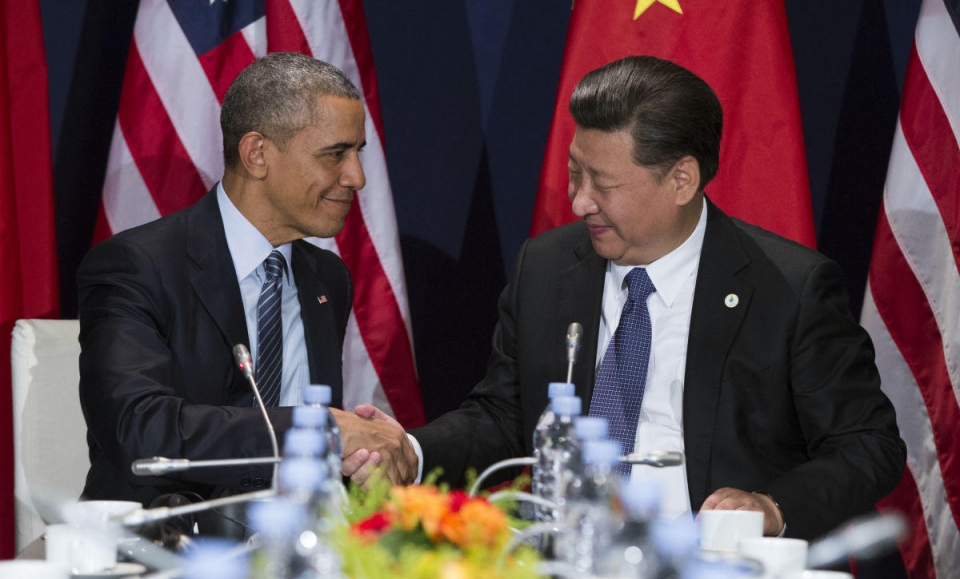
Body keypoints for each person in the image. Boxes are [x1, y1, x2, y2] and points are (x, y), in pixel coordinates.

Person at [360, 55, 905, 541]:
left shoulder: (789, 287)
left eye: (604, 183)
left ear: (682, 180)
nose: (579, 202)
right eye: (575, 174)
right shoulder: (548, 267)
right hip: (562, 566)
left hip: (712, 578)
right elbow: (505, 414)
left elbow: (867, 445)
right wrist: (413, 448)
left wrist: (771, 506)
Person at [79, 52, 416, 509]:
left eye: (357, 153)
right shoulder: (137, 265)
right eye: (335, 154)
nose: (356, 177)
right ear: (257, 154)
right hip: (164, 548)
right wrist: (318, 429)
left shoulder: (327, 278)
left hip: (295, 553)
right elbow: (140, 431)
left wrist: (357, 454)